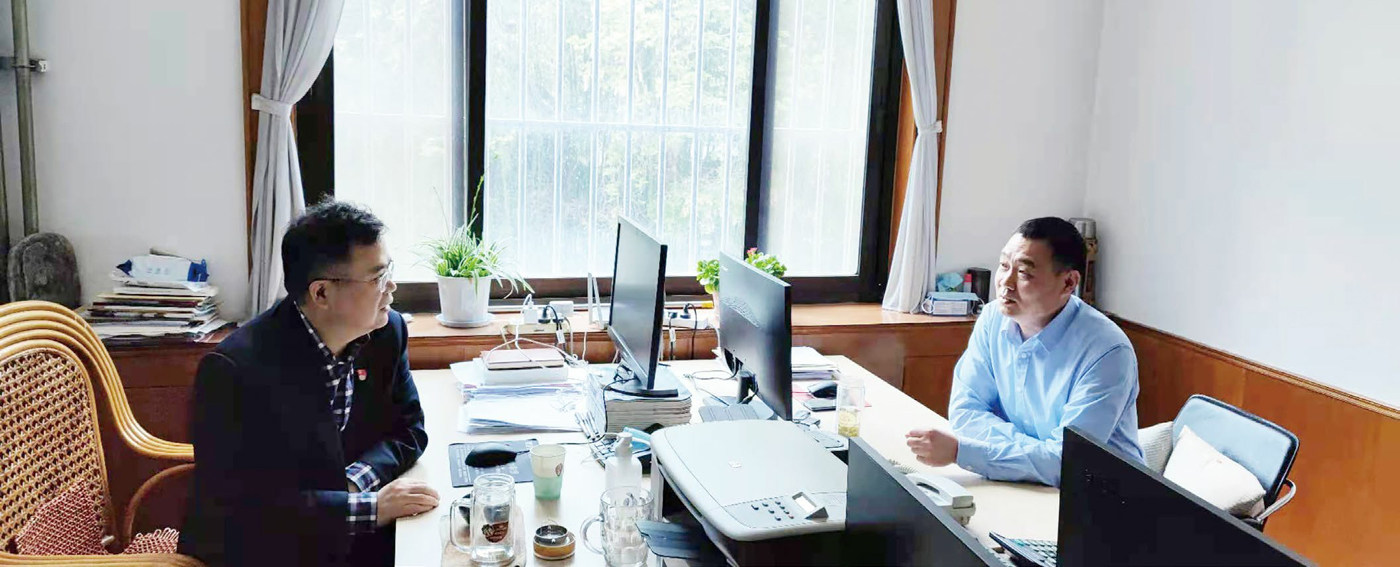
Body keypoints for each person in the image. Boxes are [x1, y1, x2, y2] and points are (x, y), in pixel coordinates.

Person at [180, 201, 439, 566]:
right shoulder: (233, 371)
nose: (392, 287)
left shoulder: (386, 332)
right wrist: (370, 508)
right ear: (321, 294)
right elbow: (242, 509)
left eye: (389, 271)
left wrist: (355, 484)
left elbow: (409, 430)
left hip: (345, 537)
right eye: (378, 278)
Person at [905, 217, 1142, 486]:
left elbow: (1066, 462)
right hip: (1022, 484)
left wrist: (964, 452)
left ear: (1068, 283)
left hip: (1100, 494)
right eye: (1004, 266)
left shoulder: (1108, 352)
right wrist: (1034, 457)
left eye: (1024, 273)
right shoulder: (993, 318)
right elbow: (966, 412)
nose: (1005, 283)